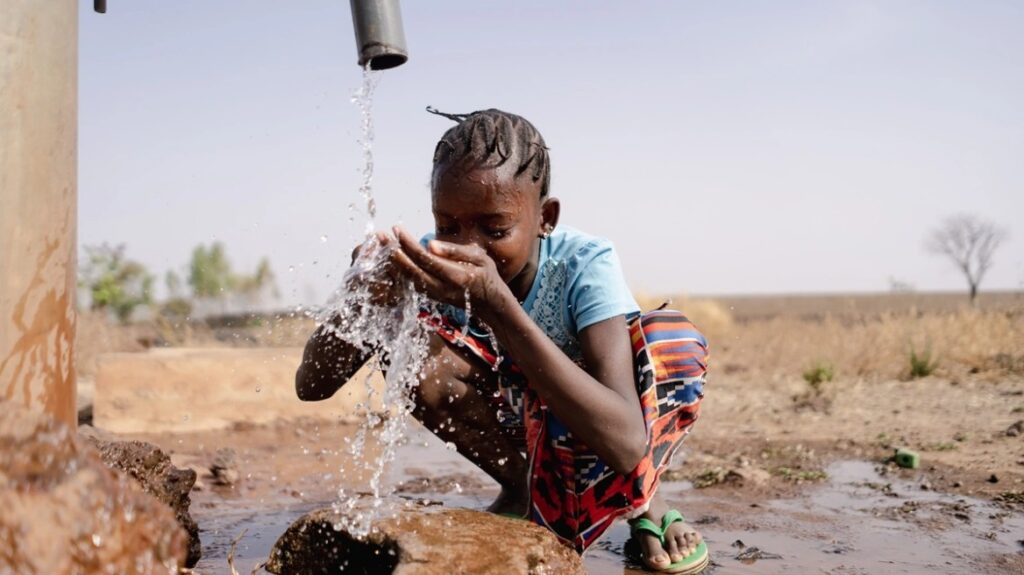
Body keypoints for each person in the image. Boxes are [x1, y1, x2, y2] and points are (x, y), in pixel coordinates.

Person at [296, 108, 710, 574]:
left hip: (594, 423)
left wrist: (497, 304)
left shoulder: (584, 264)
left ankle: (647, 500)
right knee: (411, 346)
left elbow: (627, 441)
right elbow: (311, 386)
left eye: (495, 231)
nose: (467, 248)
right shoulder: (430, 263)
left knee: (670, 340)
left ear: (545, 218)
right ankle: (523, 489)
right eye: (448, 226)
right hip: (517, 418)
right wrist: (360, 299)